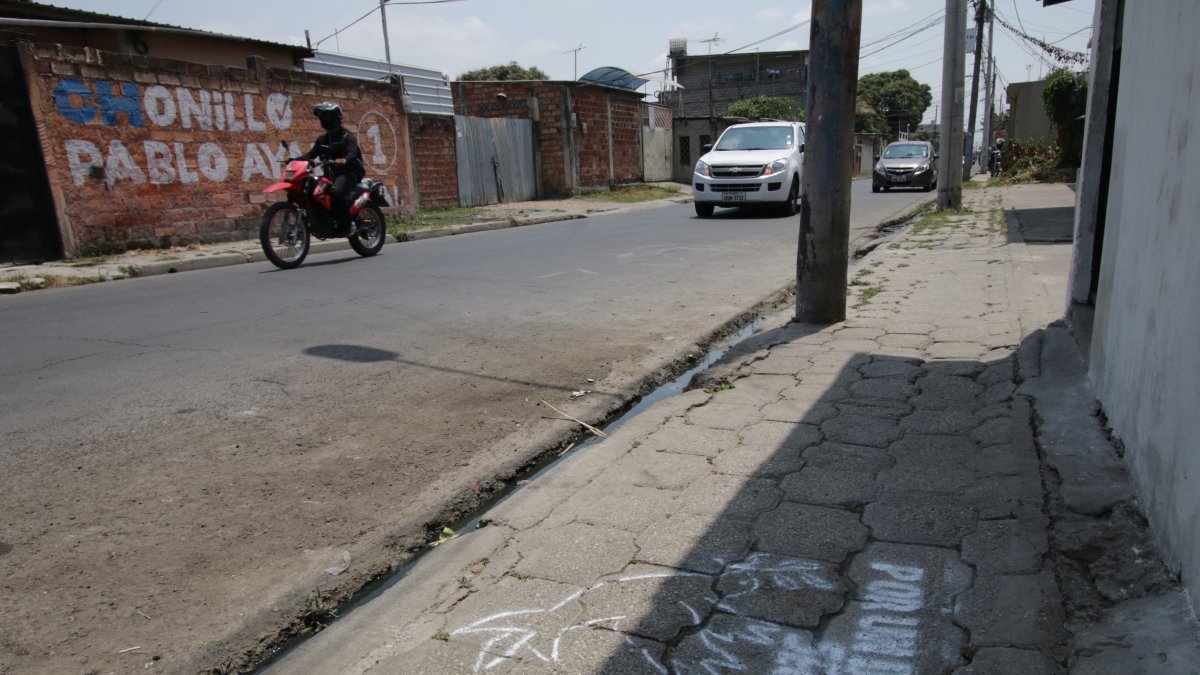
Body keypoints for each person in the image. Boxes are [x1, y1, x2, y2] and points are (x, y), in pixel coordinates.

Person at [300, 102, 365, 234]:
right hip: (330, 175)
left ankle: (346, 224)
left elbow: (352, 153)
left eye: (327, 117)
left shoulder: (347, 137)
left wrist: (344, 160)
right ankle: (325, 220)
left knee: (335, 192)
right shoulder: (323, 139)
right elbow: (311, 154)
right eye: (323, 118)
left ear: (335, 118)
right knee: (312, 187)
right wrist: (295, 160)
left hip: (347, 174)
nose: (324, 121)